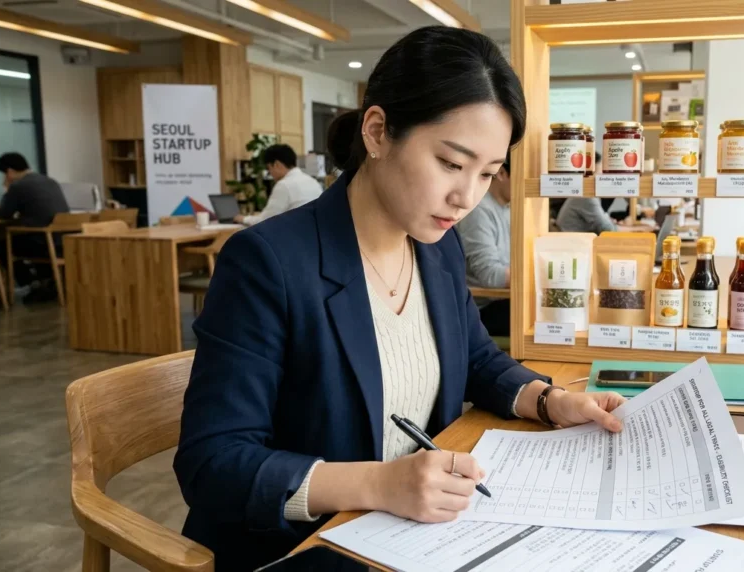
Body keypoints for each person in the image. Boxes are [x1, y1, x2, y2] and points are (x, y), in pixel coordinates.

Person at [174, 26, 626, 571]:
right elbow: (212, 465)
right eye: (451, 164)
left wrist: (549, 401)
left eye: (487, 174)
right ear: (378, 131)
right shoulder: (268, 261)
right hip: (304, 547)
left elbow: (476, 357)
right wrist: (379, 482)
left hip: (415, 537)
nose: (465, 197)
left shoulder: (435, 247)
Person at [0, 152, 69, 301]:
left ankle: (31, 283)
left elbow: (3, 214)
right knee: (26, 237)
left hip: (42, 243)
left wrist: (6, 192)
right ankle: (46, 281)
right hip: (60, 241)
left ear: (9, 172)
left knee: (1, 244)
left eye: (4, 174)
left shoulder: (18, 186)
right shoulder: (49, 181)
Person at [455, 151, 511, 336]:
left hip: (502, 300)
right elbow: (491, 276)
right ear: (502, 173)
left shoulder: (508, 208)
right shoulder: (479, 211)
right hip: (481, 308)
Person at [234, 143, 323, 226]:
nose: (270, 173)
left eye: (269, 168)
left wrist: (243, 219)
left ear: (276, 164)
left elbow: (266, 221)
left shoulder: (284, 185)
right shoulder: (313, 182)